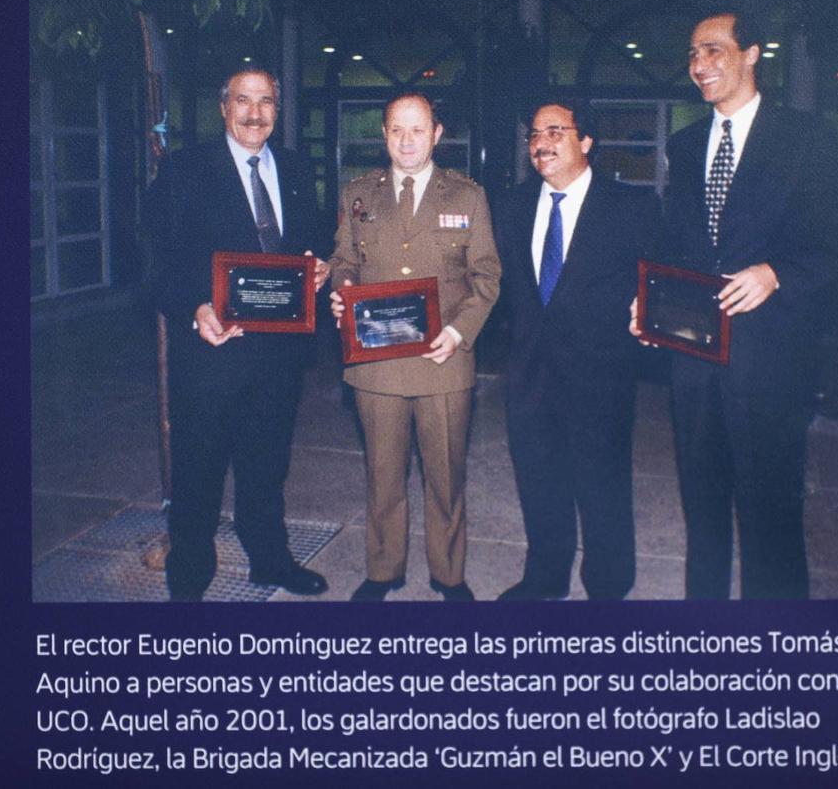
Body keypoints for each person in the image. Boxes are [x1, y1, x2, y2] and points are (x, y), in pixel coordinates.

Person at [634, 9, 838, 599]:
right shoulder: (683, 147)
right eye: (692, 55)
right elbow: (677, 248)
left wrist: (778, 273)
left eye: (713, 50)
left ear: (753, 52)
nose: (699, 66)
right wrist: (647, 303)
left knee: (770, 520)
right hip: (693, 363)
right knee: (702, 512)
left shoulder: (806, 140)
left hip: (772, 364)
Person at [148, 67, 329, 601]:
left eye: (266, 101)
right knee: (198, 473)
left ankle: (270, 560)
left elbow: (311, 238)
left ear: (278, 108)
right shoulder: (184, 170)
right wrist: (193, 307)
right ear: (223, 108)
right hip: (210, 354)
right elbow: (158, 261)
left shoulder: (296, 168)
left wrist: (320, 268)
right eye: (244, 100)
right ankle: (189, 577)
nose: (256, 113)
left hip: (278, 356)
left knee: (267, 468)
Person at [328, 93, 500, 602]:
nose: (407, 141)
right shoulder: (359, 194)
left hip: (442, 361)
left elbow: (486, 277)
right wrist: (341, 294)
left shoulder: (466, 197)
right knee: (383, 476)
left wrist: (459, 331)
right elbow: (343, 261)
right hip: (376, 364)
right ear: (383, 134)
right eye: (397, 130)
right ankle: (384, 572)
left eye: (418, 130)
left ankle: (450, 575)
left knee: (446, 478)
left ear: (437, 134)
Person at [497, 98, 663, 600]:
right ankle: (545, 578)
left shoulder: (633, 208)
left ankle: (608, 588)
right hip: (529, 375)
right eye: (534, 135)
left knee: (602, 488)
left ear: (586, 141)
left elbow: (659, 283)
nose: (541, 143)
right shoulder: (513, 205)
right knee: (539, 482)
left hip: (600, 377)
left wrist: (650, 317)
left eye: (555, 131)